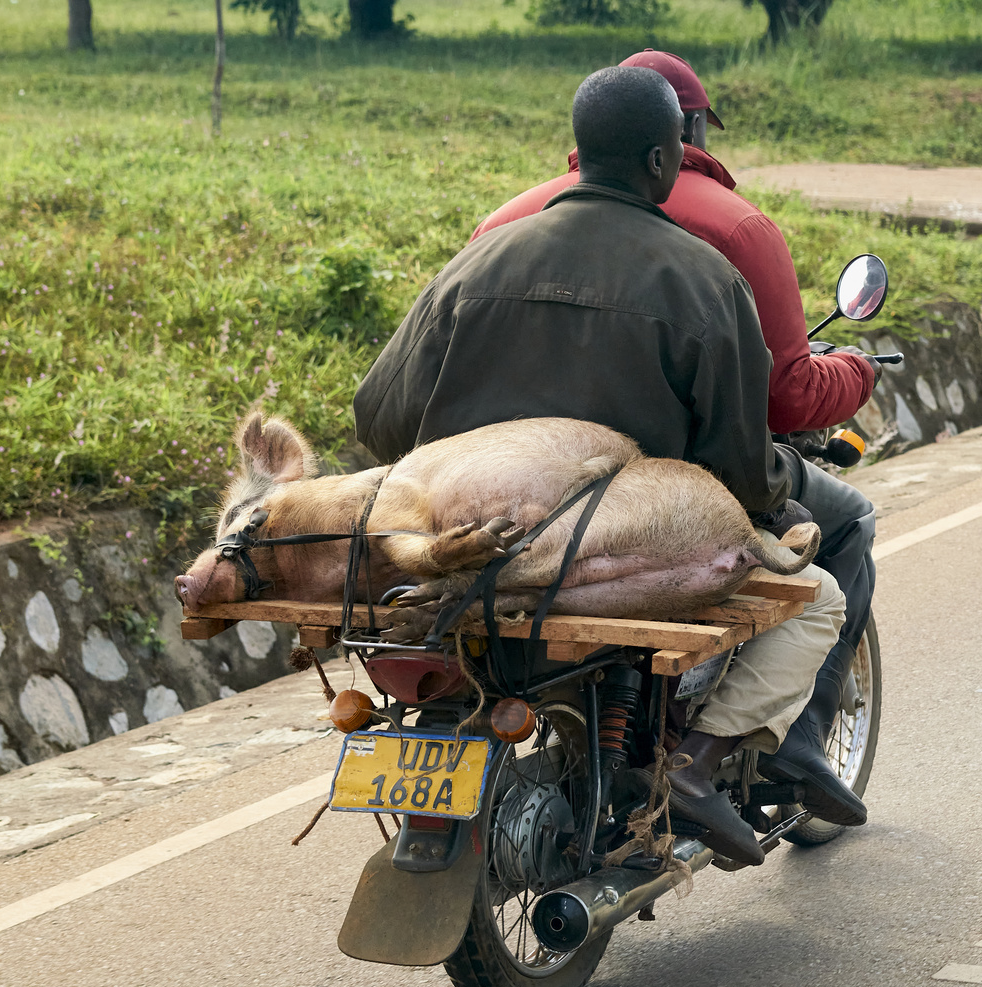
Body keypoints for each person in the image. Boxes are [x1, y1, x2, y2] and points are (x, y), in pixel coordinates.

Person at [353, 66, 846, 868]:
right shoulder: (704, 279)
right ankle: (696, 766)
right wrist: (781, 496)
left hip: (459, 549)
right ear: (666, 160)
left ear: (576, 155)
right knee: (817, 596)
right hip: (610, 556)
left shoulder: (476, 262)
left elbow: (379, 419)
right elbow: (734, 470)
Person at [474, 49, 878, 830]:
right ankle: (783, 746)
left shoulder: (499, 227)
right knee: (841, 532)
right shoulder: (725, 241)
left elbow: (384, 409)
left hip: (501, 501)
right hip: (660, 491)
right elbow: (779, 400)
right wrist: (855, 376)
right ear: (676, 140)